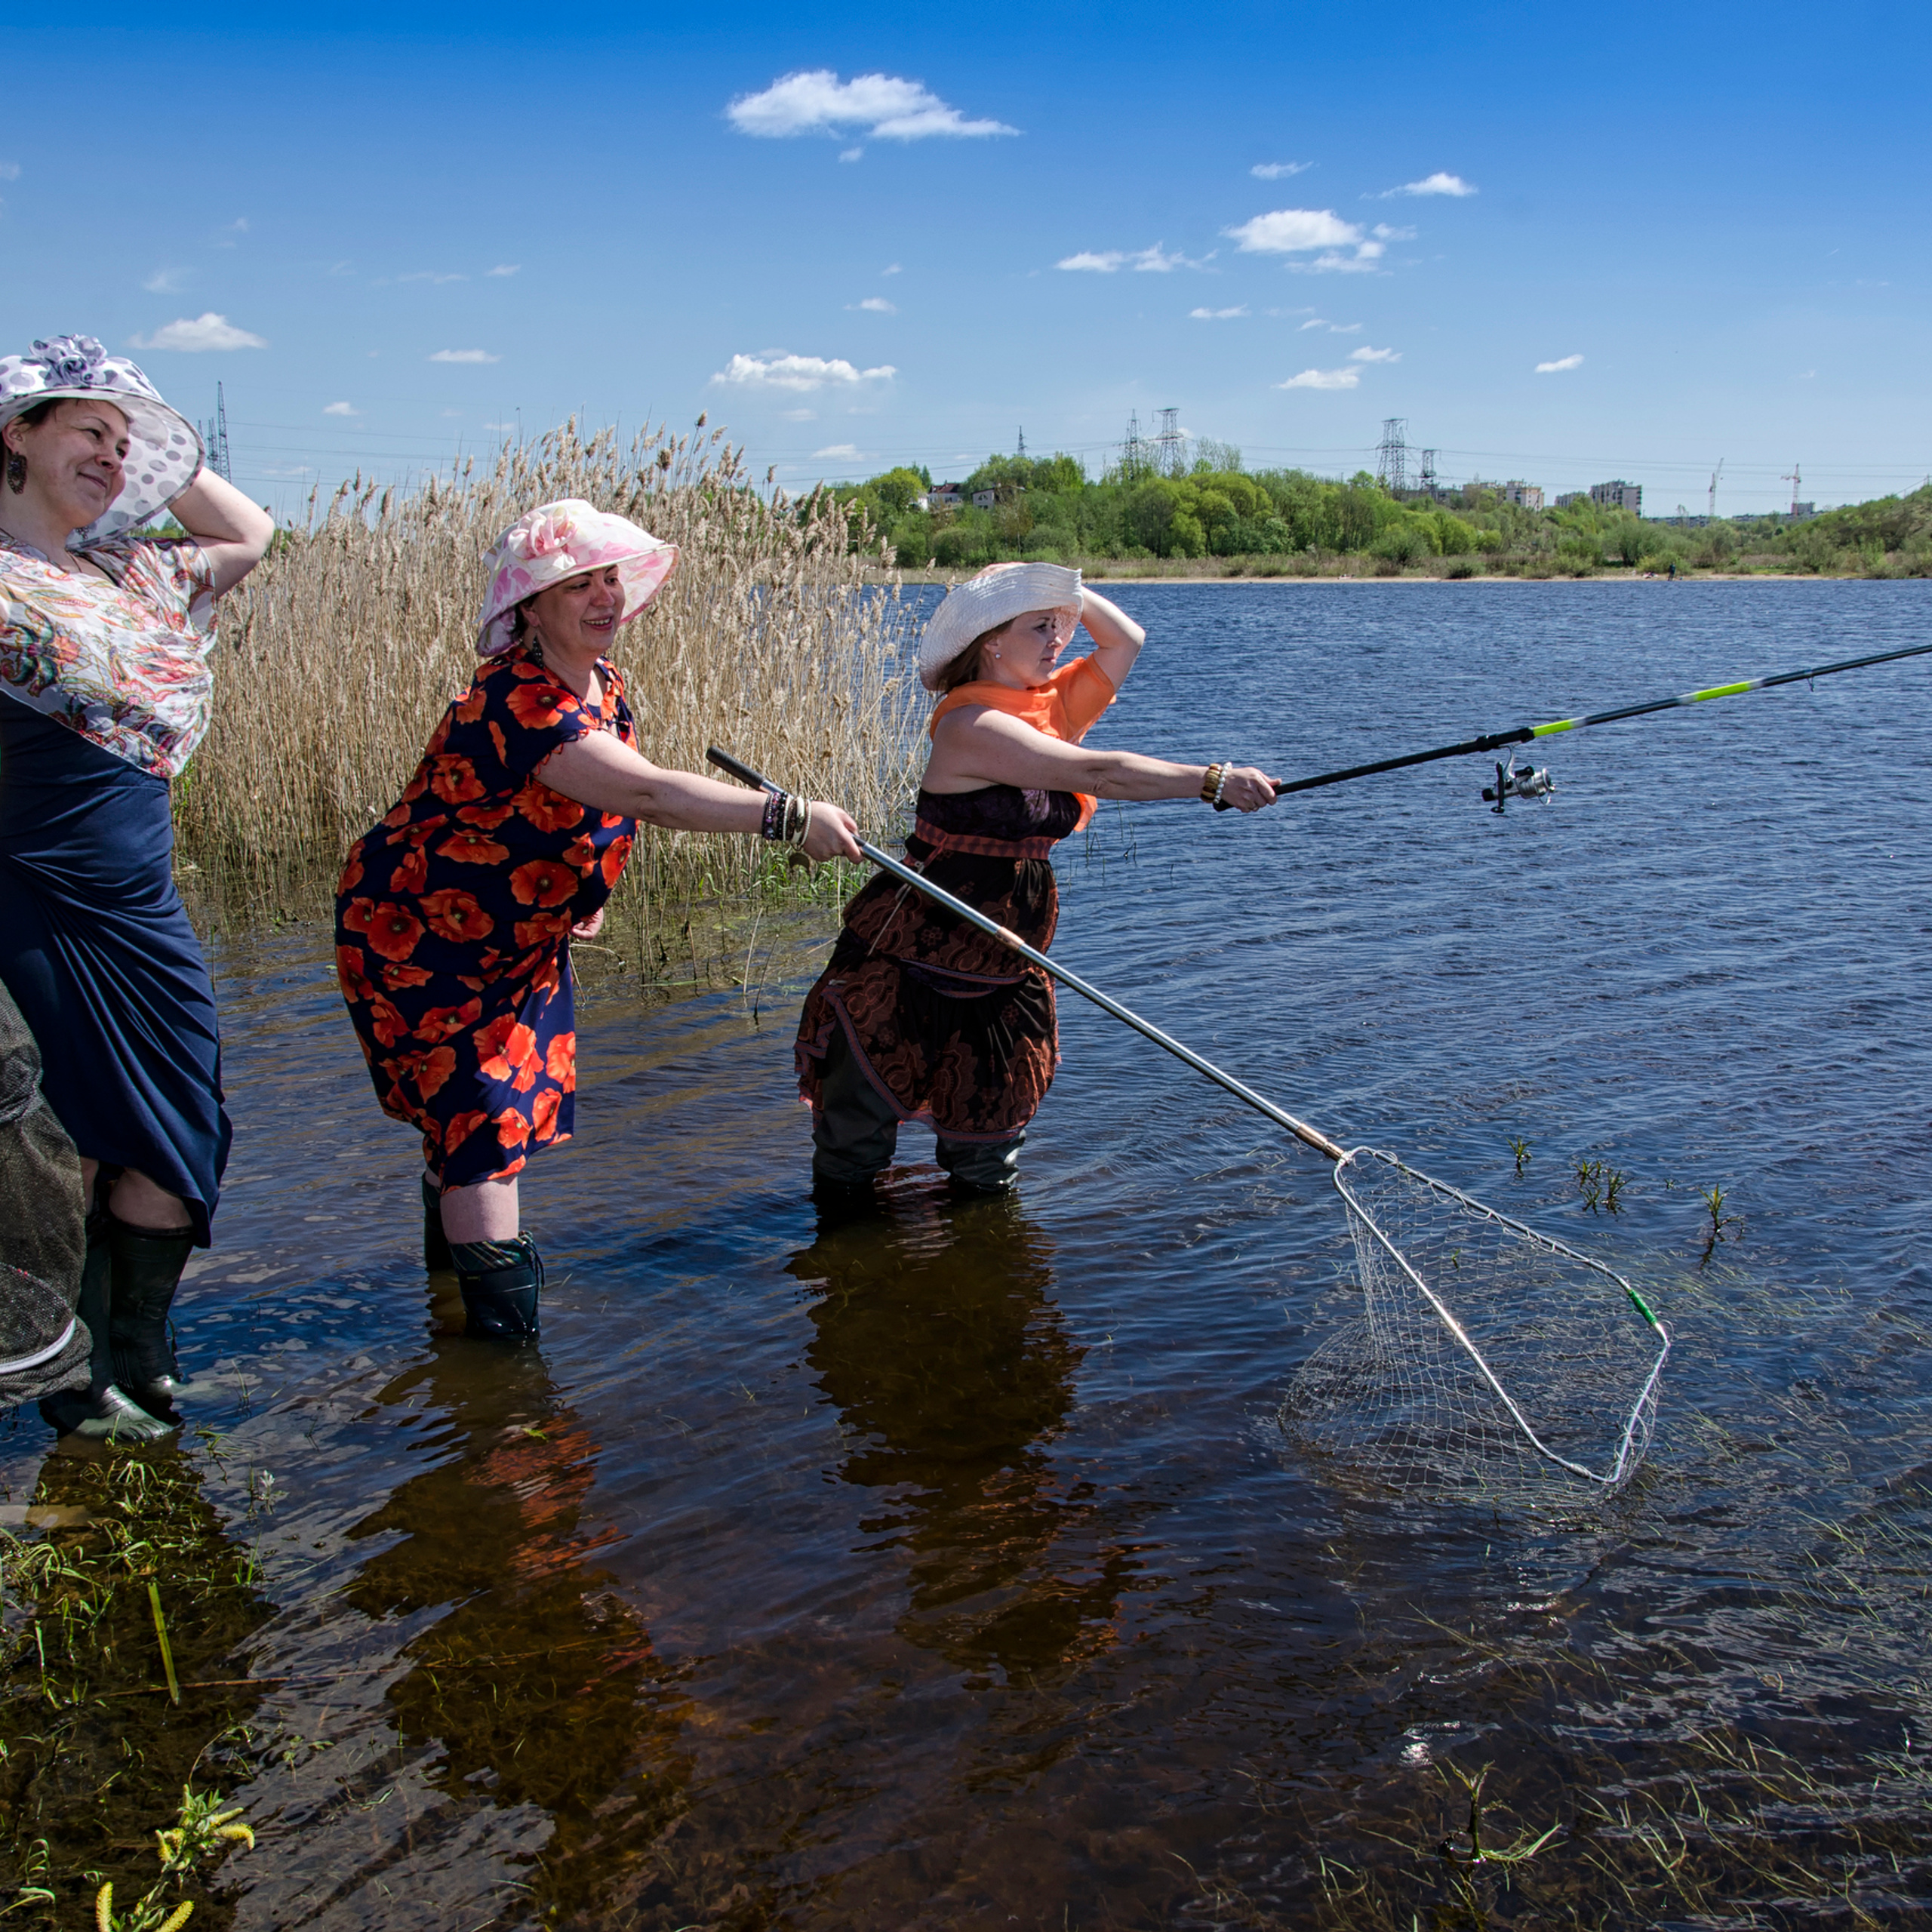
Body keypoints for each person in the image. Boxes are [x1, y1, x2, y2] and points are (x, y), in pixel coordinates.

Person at [335, 497, 861, 1341]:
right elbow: (648, 791)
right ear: (529, 608)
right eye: (577, 583)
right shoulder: (516, 698)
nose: (604, 597)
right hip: (424, 940)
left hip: (515, 942)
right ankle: (504, 1366)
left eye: (610, 578)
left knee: (468, 1129)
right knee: (484, 1129)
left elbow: (605, 810)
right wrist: (786, 815)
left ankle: (457, 1330)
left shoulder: (605, 687)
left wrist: (587, 896)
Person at [795, 561, 1278, 1195]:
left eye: (1062, 626)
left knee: (988, 1152)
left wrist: (1053, 590)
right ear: (991, 639)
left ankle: (982, 1267)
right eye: (1039, 626)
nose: (1059, 639)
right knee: (855, 1145)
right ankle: (843, 1262)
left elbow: (1125, 640)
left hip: (1003, 957)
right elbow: (1104, 773)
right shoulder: (971, 724)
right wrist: (1211, 781)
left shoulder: (1049, 706)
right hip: (914, 950)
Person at [0, 334, 275, 1440]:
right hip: (32, 893)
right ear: (15, 432)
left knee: (181, 1129)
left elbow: (247, 532)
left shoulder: (131, 569)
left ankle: (138, 1356)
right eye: (88, 435)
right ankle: (81, 1388)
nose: (115, 461)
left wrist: (152, 435)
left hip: (139, 907)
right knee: (67, 1141)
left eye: (127, 447)